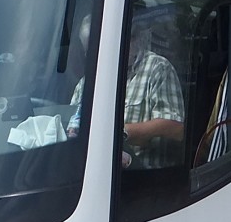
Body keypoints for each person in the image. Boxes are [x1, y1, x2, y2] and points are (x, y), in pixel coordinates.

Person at [66, 12, 184, 167]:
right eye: (91, 51)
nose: (98, 56)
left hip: (144, 178)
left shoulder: (157, 68)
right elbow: (73, 125)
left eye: (102, 48)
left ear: (129, 40)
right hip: (94, 172)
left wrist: (121, 133)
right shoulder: (86, 83)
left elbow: (175, 128)